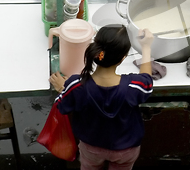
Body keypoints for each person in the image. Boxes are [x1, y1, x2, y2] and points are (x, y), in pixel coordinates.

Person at [49, 26, 154, 170]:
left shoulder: (75, 85)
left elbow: (62, 105)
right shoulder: (134, 86)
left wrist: (63, 88)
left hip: (91, 147)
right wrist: (146, 47)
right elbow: (147, 80)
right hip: (126, 149)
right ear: (123, 58)